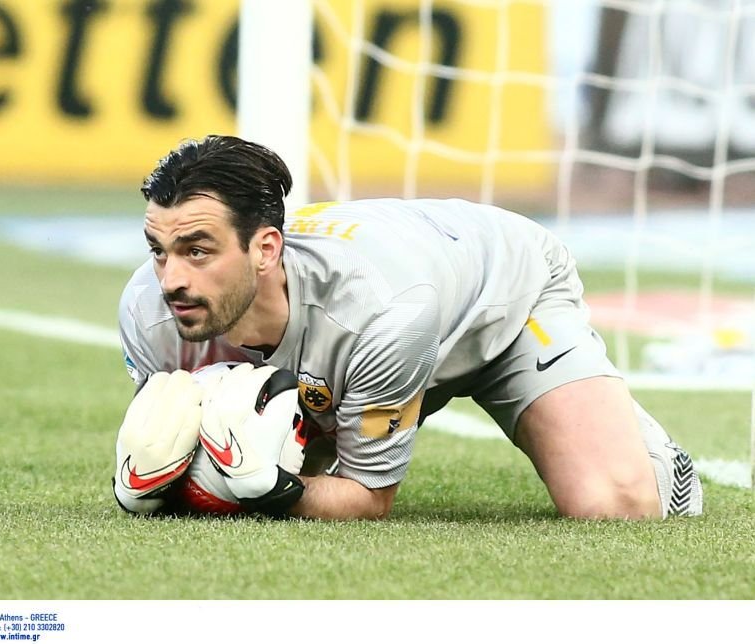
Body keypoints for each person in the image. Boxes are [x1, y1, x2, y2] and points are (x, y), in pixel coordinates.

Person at [113, 134, 703, 521]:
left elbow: (367, 497)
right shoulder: (148, 311)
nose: (171, 280)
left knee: (615, 505)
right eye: (159, 250)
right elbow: (181, 451)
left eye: (198, 251)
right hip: (378, 331)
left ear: (265, 248)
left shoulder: (378, 311)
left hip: (504, 303)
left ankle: (649, 455)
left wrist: (273, 492)